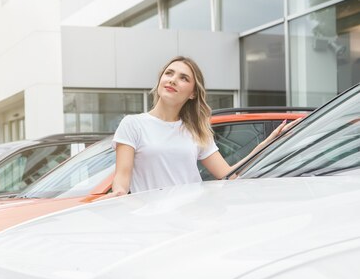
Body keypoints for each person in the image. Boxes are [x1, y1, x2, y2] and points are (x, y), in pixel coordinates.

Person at [109, 56, 297, 197]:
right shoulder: (133, 124)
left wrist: (265, 145)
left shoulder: (196, 131)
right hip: (152, 224)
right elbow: (122, 179)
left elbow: (228, 176)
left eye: (184, 78)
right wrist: (118, 193)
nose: (173, 80)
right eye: (169, 73)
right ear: (160, 81)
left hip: (191, 220)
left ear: (192, 93)